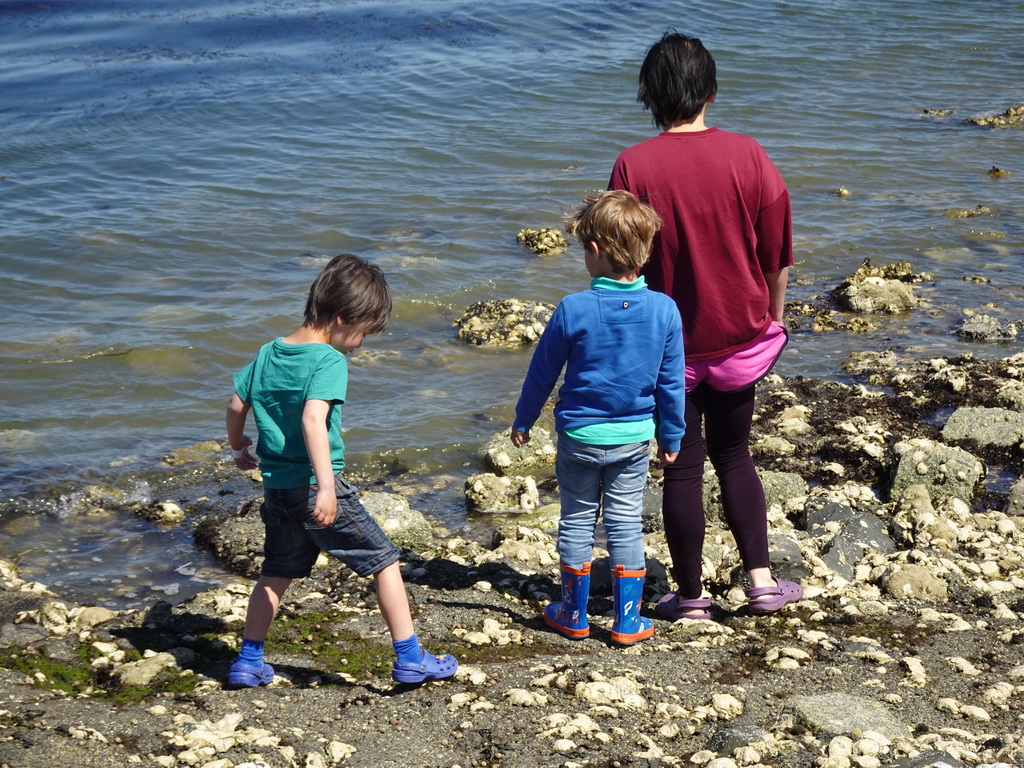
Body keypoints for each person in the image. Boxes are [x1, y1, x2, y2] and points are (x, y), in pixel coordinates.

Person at [608, 31, 802, 620]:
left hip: (669, 347)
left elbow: (621, 264)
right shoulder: (748, 154)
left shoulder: (633, 165)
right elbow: (777, 256)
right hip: (740, 337)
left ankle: (690, 597)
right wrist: (774, 320)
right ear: (710, 92)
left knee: (681, 466)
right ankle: (762, 582)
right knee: (737, 456)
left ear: (649, 94)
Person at [224, 253, 458, 687]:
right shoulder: (328, 361)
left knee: (275, 573)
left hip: (279, 492)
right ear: (341, 317)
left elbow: (237, 403)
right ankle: (411, 657)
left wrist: (238, 447)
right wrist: (328, 488)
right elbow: (313, 419)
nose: (360, 344)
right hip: (315, 486)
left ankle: (248, 661)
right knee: (384, 561)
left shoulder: (268, 352)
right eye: (363, 333)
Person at [511, 190, 686, 646]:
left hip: (578, 436)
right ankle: (628, 621)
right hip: (632, 437)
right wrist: (672, 434)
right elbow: (671, 383)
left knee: (577, 520)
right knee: (625, 523)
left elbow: (542, 372)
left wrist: (524, 418)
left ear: (596, 251)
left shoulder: (574, 308)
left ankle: (573, 614)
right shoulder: (665, 310)